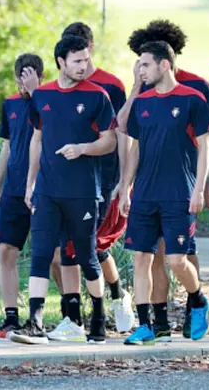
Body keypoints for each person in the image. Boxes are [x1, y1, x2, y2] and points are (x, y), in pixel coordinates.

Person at [8, 35, 117, 345]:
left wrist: (82, 148)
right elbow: (37, 139)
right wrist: (30, 183)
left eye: (86, 59)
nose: (84, 66)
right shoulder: (41, 96)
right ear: (61, 62)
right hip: (47, 191)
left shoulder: (97, 96)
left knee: (86, 256)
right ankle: (35, 322)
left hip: (83, 192)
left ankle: (98, 318)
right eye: (77, 61)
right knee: (41, 253)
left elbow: (110, 141)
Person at [119, 19, 209, 340]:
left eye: (145, 65)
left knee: (177, 260)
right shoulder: (142, 102)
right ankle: (146, 326)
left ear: (164, 65)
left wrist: (200, 188)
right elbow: (132, 144)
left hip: (179, 194)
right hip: (144, 194)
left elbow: (205, 146)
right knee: (141, 259)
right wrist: (125, 188)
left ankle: (198, 300)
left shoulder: (192, 99)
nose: (140, 70)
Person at [48, 22, 134, 338]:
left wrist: (124, 181)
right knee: (65, 249)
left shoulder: (111, 86)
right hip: (65, 182)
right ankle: (73, 318)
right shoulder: (58, 87)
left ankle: (117, 297)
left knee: (91, 248)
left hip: (104, 178)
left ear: (90, 48)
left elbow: (123, 134)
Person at [0, 54, 45, 340]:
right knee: (6, 251)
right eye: (20, 80)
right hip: (13, 190)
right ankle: (11, 317)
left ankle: (67, 317)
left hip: (44, 189)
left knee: (53, 255)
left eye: (29, 79)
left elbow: (52, 131)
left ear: (40, 78)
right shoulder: (10, 104)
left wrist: (36, 94)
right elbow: (7, 148)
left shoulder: (50, 101)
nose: (23, 85)